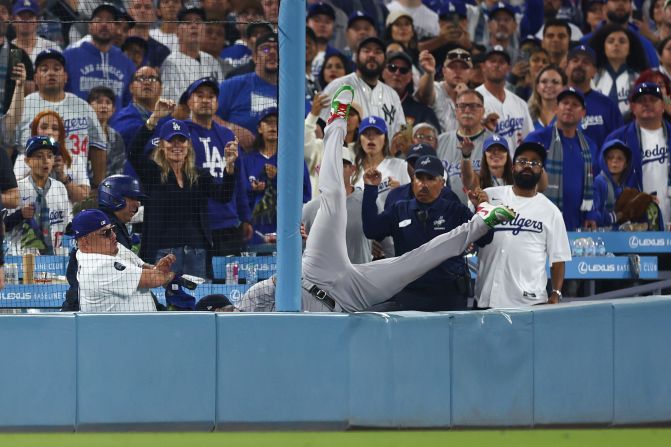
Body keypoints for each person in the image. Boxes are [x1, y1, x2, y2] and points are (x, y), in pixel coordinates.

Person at [240, 84, 516, 312]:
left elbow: (252, 301)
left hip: (315, 271)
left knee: (334, 195)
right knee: (415, 261)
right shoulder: (280, 337)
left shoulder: (255, 306)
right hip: (350, 298)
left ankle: (336, 123)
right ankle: (482, 221)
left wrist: (254, 298)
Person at [363, 154, 492, 311]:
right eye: (419, 178)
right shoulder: (399, 210)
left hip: (449, 296)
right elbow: (371, 230)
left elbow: (485, 239)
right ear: (412, 181)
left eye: (430, 178)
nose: (423, 184)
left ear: (442, 183)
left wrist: (482, 208)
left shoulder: (455, 210)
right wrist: (370, 188)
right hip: (409, 295)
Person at [128, 100, 238, 277]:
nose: (177, 145)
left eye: (182, 140)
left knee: (197, 302)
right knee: (164, 302)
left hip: (196, 252)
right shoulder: (153, 174)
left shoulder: (199, 176)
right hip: (162, 253)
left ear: (188, 145)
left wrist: (230, 167)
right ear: (162, 146)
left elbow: (224, 196)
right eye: (171, 141)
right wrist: (154, 118)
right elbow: (133, 152)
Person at [474, 141, 571, 308]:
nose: (528, 166)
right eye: (522, 161)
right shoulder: (489, 196)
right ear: (512, 168)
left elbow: (558, 259)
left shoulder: (551, 211)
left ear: (541, 171)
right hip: (486, 297)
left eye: (534, 163)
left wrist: (556, 293)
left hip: (529, 303)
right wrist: (476, 207)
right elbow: (468, 232)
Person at [17, 49, 107, 190]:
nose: (51, 73)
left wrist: (98, 186)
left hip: (76, 184)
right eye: (44, 69)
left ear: (65, 76)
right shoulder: (22, 106)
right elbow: (8, 145)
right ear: (35, 78)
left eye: (57, 69)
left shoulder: (82, 106)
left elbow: (99, 147)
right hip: (30, 187)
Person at [184, 77, 252, 257]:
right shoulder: (181, 133)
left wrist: (245, 218)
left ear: (217, 103)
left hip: (228, 224)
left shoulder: (227, 134)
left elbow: (239, 178)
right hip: (195, 224)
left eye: (211, 96)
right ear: (189, 101)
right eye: (200, 95)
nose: (206, 100)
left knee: (231, 280)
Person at [61, 174, 149, 311]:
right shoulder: (104, 228)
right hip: (86, 309)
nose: (137, 204)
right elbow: (131, 278)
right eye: (132, 198)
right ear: (114, 198)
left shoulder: (103, 222)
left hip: (83, 302)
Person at [73, 209, 179, 312]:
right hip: (118, 329)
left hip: (135, 326)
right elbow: (155, 279)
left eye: (112, 229)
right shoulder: (97, 266)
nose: (113, 236)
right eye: (105, 233)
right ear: (85, 242)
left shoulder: (111, 248)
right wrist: (173, 273)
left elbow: (142, 266)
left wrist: (157, 268)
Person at [526, 87, 597, 231]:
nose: (569, 107)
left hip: (578, 223)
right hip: (540, 220)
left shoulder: (590, 145)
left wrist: (591, 214)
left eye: (575, 104)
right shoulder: (536, 139)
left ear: (583, 113)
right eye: (565, 103)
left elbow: (593, 184)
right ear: (556, 109)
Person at [243, 107, 312, 245]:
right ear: (259, 128)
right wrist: (253, 190)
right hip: (255, 232)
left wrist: (278, 178)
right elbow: (240, 196)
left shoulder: (295, 161)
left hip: (287, 230)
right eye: (268, 122)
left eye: (277, 122)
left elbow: (305, 196)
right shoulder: (247, 160)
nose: (273, 126)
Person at [605, 82, 671, 225]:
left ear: (663, 106)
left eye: (653, 100)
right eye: (641, 101)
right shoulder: (617, 139)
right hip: (634, 224)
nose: (647, 104)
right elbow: (605, 180)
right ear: (633, 108)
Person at [320, 36, 406, 138]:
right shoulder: (338, 86)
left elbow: (400, 134)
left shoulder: (392, 95)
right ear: (356, 57)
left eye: (378, 52)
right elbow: (320, 127)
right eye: (367, 50)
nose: (372, 55)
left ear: (385, 60)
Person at [302, 146, 372, 265]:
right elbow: (300, 253)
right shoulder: (309, 210)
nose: (336, 170)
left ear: (352, 169)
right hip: (323, 282)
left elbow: (387, 243)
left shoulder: (368, 201)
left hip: (359, 280)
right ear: (321, 170)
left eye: (342, 165)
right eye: (331, 165)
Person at [62, 3, 136, 111]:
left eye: (110, 20)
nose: (104, 24)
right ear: (90, 26)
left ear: (116, 27)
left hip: (114, 127)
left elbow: (129, 103)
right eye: (99, 19)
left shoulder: (127, 64)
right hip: (79, 125)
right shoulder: (69, 56)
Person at [5, 136, 71, 256]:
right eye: (39, 156)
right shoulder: (17, 189)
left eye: (50, 156)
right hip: (22, 260)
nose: (46, 160)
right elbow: (3, 226)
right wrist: (20, 215)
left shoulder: (60, 188)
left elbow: (67, 225)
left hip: (55, 262)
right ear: (27, 161)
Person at [216, 32, 279, 149]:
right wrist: (231, 129)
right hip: (237, 156)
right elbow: (209, 116)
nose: (272, 52)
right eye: (265, 49)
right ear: (254, 57)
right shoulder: (233, 84)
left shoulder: (292, 93)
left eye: (277, 49)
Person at [436, 89, 491, 205]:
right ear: (456, 111)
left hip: (482, 211)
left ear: (483, 111)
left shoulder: (494, 143)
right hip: (445, 212)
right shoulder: (440, 141)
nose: (467, 110)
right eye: (462, 106)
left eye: (473, 106)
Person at [160, 6, 224, 103]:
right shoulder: (171, 63)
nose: (194, 26)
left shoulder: (212, 61)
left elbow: (222, 98)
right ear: (177, 32)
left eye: (198, 22)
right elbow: (171, 106)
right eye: (187, 22)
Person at [475, 46, 534, 152]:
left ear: (508, 68)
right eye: (492, 61)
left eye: (501, 62)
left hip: (515, 166)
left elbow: (529, 139)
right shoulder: (473, 100)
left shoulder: (520, 104)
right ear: (483, 66)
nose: (496, 65)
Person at [565, 44, 623, 150]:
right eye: (575, 60)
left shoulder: (607, 105)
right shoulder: (557, 102)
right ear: (566, 67)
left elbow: (618, 143)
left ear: (594, 72)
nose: (579, 65)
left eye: (586, 62)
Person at [304, 92, 362, 196]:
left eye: (351, 114)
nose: (346, 118)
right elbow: (305, 147)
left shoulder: (363, 152)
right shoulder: (322, 146)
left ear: (359, 122)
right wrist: (313, 116)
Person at [351, 115, 410, 213]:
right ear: (359, 139)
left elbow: (411, 203)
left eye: (377, 133)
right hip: (358, 226)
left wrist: (400, 192)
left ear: (385, 139)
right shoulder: (352, 169)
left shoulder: (401, 166)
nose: (371, 138)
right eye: (366, 133)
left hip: (389, 226)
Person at [584, 139, 647, 229]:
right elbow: (593, 214)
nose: (614, 161)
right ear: (604, 161)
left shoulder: (623, 187)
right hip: (601, 237)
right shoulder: (598, 182)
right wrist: (616, 217)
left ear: (626, 164)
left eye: (620, 158)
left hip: (618, 236)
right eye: (610, 157)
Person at [589, 23, 649, 116]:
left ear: (630, 48)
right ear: (603, 47)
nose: (616, 44)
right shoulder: (592, 77)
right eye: (610, 41)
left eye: (622, 41)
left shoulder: (640, 78)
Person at [381, 51, 440, 133]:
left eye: (403, 70)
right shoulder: (368, 104)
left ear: (410, 77)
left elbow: (433, 141)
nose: (397, 73)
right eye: (392, 68)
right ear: (383, 73)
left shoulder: (423, 112)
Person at [418, 48, 473, 135]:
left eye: (463, 68)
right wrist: (429, 73)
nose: (457, 71)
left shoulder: (476, 98)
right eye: (452, 67)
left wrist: (466, 98)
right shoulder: (435, 88)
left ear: (470, 73)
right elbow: (425, 94)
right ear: (444, 71)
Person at [109, 66, 162, 151]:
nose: (147, 82)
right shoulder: (121, 119)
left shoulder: (169, 120)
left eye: (152, 79)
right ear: (131, 88)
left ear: (160, 89)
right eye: (141, 78)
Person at [463, 134, 516, 209]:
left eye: (501, 149)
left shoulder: (517, 180)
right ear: (484, 155)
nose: (496, 152)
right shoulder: (477, 179)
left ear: (507, 154)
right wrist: (466, 156)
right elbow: (467, 177)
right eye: (490, 149)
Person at [88, 87, 125, 176]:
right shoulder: (81, 133)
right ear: (88, 107)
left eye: (108, 103)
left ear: (113, 110)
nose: (104, 106)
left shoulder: (116, 137)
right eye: (99, 102)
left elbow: (118, 168)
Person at [126, 0, 171, 68]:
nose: (142, 10)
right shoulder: (117, 44)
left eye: (147, 7)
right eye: (137, 7)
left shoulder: (162, 52)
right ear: (129, 13)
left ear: (154, 15)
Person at [528, 65, 568, 130]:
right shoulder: (526, 114)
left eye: (555, 82)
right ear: (537, 87)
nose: (549, 85)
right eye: (544, 81)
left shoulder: (571, 116)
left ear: (564, 88)